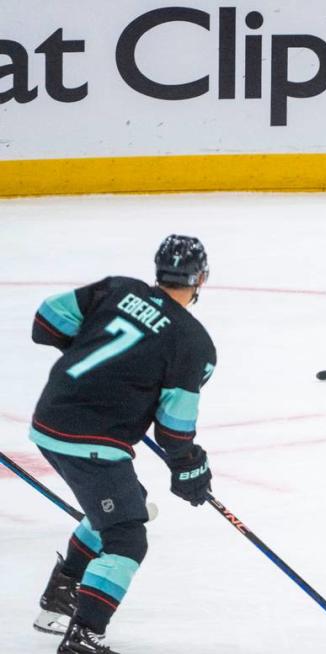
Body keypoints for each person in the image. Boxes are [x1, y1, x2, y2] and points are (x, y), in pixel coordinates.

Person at [29, 235, 217, 654]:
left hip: (49, 419)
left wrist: (99, 358)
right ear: (201, 278)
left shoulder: (117, 289)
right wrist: (189, 464)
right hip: (92, 441)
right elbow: (173, 429)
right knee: (127, 537)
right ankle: (84, 636)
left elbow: (45, 325)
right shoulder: (194, 343)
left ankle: (62, 595)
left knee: (124, 503)